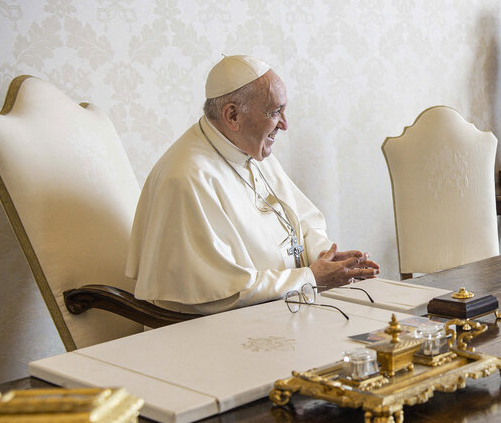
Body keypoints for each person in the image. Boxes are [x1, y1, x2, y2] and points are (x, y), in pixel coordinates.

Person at [127, 55, 379, 314]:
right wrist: (312, 278)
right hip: (212, 333)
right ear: (233, 115)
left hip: (280, 310)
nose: (284, 124)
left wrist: (323, 256)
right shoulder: (187, 178)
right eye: (274, 112)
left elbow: (302, 221)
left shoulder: (248, 149)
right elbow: (221, 291)